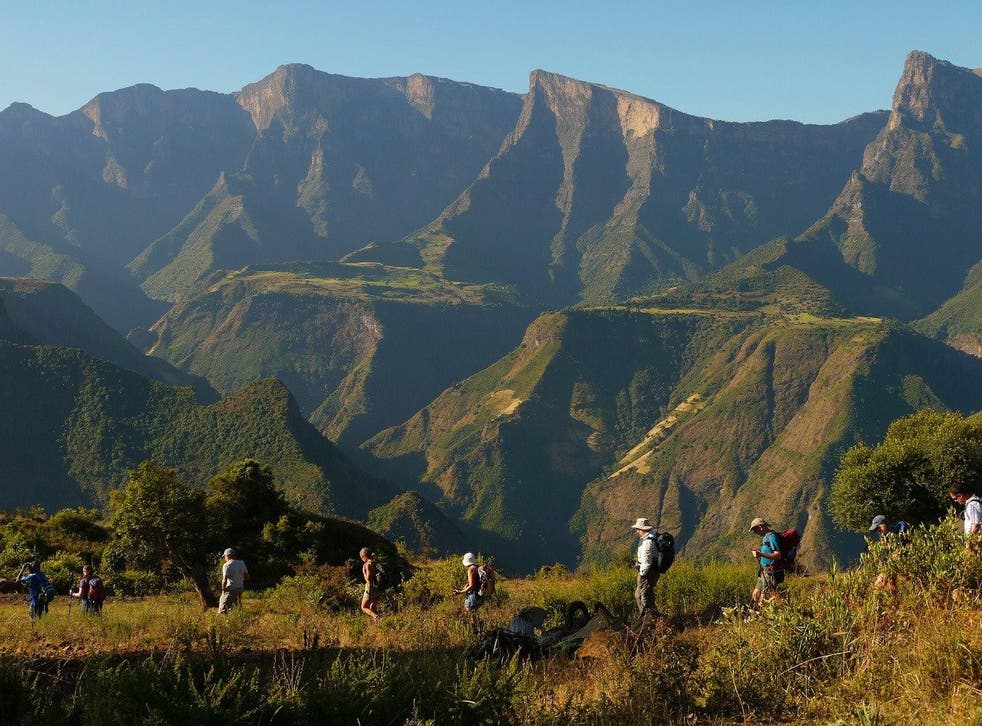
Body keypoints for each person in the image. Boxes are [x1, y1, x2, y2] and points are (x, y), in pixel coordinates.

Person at [749, 517, 783, 607]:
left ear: (760, 527)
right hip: (764, 571)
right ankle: (760, 613)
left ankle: (782, 610)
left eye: (755, 530)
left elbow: (778, 555)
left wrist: (761, 554)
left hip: (771, 572)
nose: (755, 533)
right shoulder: (765, 537)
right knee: (756, 594)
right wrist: (760, 553)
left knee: (768, 596)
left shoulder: (772, 537)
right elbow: (767, 551)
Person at [631, 518, 659, 617]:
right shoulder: (650, 537)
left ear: (642, 529)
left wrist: (642, 574)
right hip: (651, 572)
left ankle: (650, 618)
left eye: (638, 529)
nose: (637, 531)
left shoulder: (647, 543)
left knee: (644, 596)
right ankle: (649, 617)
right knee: (640, 595)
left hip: (647, 573)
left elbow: (647, 561)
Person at [218, 548, 249, 614]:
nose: (224, 558)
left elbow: (224, 580)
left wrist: (223, 590)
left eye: (225, 556)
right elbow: (247, 577)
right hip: (240, 588)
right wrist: (239, 578)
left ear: (227, 556)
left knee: (222, 608)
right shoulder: (242, 563)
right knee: (237, 606)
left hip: (231, 588)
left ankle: (223, 621)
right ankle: (240, 619)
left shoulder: (226, 565)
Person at [359, 547, 380, 622]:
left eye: (362, 557)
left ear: (364, 556)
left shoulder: (368, 564)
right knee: (372, 607)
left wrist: (364, 572)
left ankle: (376, 616)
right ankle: (379, 624)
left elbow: (368, 578)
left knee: (364, 607)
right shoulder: (376, 562)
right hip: (378, 587)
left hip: (370, 588)